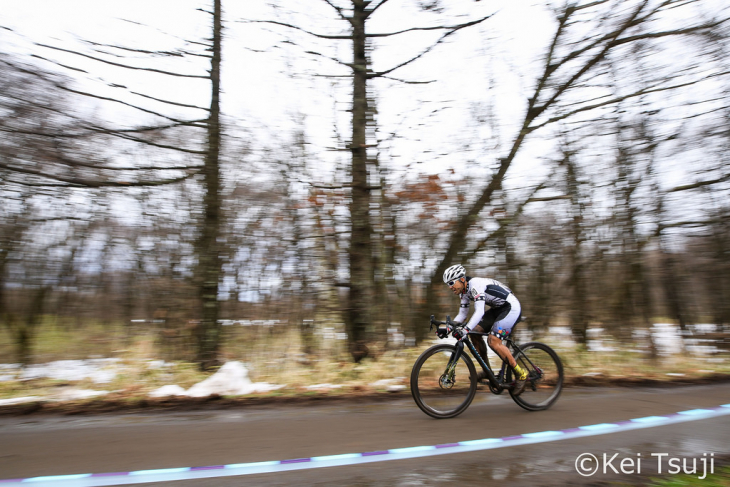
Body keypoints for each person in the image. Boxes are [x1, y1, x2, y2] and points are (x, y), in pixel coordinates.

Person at [441, 264, 528, 395]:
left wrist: (465, 330)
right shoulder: (463, 292)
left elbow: (479, 312)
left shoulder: (475, 285)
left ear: (462, 279)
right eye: (448, 284)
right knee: (474, 333)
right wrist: (447, 327)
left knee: (493, 341)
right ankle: (488, 371)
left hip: (511, 307)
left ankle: (521, 374)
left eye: (452, 282)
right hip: (497, 309)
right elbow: (462, 315)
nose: (450, 286)